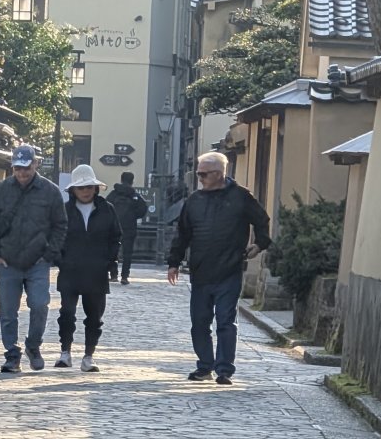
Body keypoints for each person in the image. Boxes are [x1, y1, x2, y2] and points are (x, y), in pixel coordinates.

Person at [166, 151, 272, 385]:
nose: (200, 178)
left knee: (225, 321)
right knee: (199, 323)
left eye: (203, 174)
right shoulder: (194, 200)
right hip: (201, 271)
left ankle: (224, 370)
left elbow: (262, 221)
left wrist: (259, 244)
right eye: (198, 174)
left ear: (218, 174)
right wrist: (174, 262)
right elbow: (182, 234)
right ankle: (205, 366)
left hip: (229, 269)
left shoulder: (241, 197)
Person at [0, 144, 67, 373]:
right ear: (13, 168)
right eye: (18, 168)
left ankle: (33, 345)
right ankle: (12, 355)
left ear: (35, 164)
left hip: (38, 262)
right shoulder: (1, 190)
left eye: (26, 168)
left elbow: (60, 225)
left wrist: (49, 254)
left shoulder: (50, 191)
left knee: (40, 305)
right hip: (7, 261)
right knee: (8, 312)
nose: (22, 173)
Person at [54, 164, 122, 371]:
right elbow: (56, 236)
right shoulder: (64, 210)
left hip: (96, 271)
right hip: (70, 270)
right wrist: (60, 259)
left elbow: (115, 237)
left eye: (89, 187)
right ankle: (65, 352)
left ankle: (88, 356)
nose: (85, 191)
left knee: (94, 317)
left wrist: (109, 261)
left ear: (95, 188)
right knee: (67, 314)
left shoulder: (107, 209)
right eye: (81, 188)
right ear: (73, 190)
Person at [106, 170, 148, 284]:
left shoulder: (114, 194)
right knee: (127, 253)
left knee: (113, 251)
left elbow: (106, 206)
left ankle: (113, 275)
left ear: (121, 179)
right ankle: (124, 276)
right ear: (132, 181)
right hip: (129, 227)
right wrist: (133, 216)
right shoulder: (135, 196)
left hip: (114, 227)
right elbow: (143, 209)